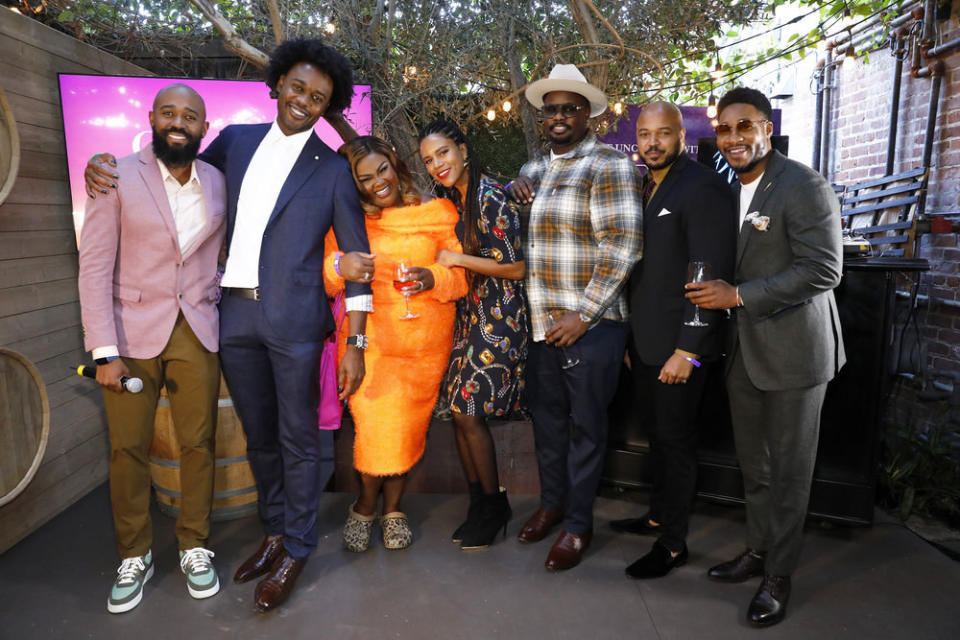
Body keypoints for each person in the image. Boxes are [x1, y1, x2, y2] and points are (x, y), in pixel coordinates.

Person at [85, 39, 373, 612]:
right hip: (233, 317)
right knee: (260, 436)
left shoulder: (333, 172)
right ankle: (273, 531)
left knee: (299, 440)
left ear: (326, 105)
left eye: (317, 97)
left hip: (295, 323)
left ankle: (296, 545)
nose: (303, 100)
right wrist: (106, 164)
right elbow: (172, 176)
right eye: (296, 87)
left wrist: (355, 342)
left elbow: (358, 264)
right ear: (278, 84)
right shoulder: (235, 143)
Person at [686, 87, 845, 627]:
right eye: (724, 130)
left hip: (795, 355)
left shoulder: (804, 185)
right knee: (756, 466)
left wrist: (739, 296)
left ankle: (779, 573)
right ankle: (757, 550)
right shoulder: (730, 188)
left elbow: (824, 270)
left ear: (766, 129)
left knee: (790, 472)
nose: (733, 139)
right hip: (743, 355)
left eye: (744, 127)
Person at [78, 84, 225, 613]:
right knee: (128, 447)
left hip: (196, 328)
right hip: (130, 330)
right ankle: (134, 554)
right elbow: (93, 267)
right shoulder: (114, 174)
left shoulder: (218, 180)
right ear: (153, 119)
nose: (179, 122)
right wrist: (103, 351)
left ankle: (195, 545)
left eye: (190, 115)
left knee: (199, 444)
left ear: (204, 128)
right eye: (169, 112)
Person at [507, 64, 643, 571]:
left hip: (591, 327)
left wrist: (584, 316)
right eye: (552, 110)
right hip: (543, 326)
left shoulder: (609, 165)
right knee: (547, 426)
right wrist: (516, 183)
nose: (560, 116)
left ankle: (578, 526)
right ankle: (551, 505)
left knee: (586, 429)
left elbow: (624, 246)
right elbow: (523, 215)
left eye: (570, 108)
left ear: (589, 114)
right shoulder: (537, 168)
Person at [610, 101, 736, 579]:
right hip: (645, 340)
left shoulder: (702, 187)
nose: (652, 142)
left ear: (682, 135)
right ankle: (658, 515)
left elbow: (709, 275)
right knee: (660, 439)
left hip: (681, 347)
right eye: (645, 134)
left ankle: (673, 544)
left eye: (663, 133)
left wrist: (688, 350)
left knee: (677, 443)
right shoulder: (645, 185)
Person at [325, 136, 468, 553]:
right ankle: (367, 503)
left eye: (381, 170)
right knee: (374, 428)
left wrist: (432, 278)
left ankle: (393, 509)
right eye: (364, 178)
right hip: (367, 340)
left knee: (406, 429)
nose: (377, 183)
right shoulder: (348, 218)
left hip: (424, 344)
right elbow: (327, 275)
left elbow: (459, 277)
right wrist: (340, 264)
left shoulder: (438, 212)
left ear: (395, 163)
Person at [418, 119, 529, 550]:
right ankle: (480, 503)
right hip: (471, 314)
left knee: (467, 411)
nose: (436, 165)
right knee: (461, 413)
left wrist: (458, 259)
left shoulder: (489, 196)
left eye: (442, 153)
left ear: (463, 149)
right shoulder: (455, 198)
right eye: (429, 159)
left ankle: (493, 504)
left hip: (499, 315)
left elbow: (516, 267)